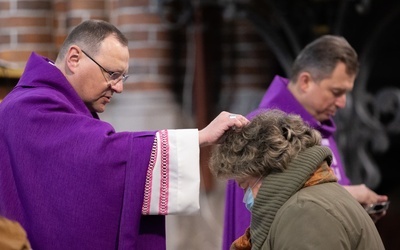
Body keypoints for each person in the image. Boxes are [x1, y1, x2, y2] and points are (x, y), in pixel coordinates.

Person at [0, 19, 249, 250]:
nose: (118, 88)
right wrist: (201, 137)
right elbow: (103, 154)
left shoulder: (48, 103)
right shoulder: (31, 107)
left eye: (122, 77)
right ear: (74, 58)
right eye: (112, 74)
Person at [222, 35, 388, 249]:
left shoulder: (317, 126)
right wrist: (351, 195)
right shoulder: (264, 133)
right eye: (336, 92)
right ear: (306, 81)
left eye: (346, 93)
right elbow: (256, 219)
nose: (343, 103)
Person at [210, 109, 385, 249]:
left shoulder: (304, 211)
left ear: (266, 169)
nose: (246, 197)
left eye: (246, 186)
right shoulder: (312, 199)